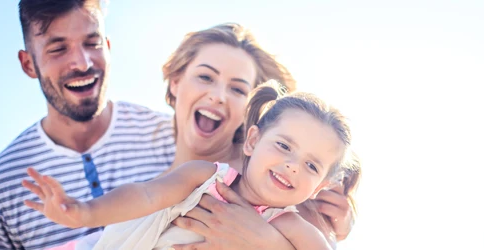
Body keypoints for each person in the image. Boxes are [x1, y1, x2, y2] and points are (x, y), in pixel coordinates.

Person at [0, 0, 354, 249]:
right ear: (175, 82)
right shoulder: (198, 171)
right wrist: (81, 212)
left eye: (238, 89)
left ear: (252, 116)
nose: (218, 95)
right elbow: (147, 196)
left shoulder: (288, 194)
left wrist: (266, 243)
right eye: (205, 77)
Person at [22, 81, 357, 250]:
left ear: (320, 187)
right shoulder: (205, 176)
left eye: (312, 166)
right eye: (284, 146)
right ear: (252, 141)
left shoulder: (290, 227)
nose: (292, 166)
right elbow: (147, 196)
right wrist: (85, 212)